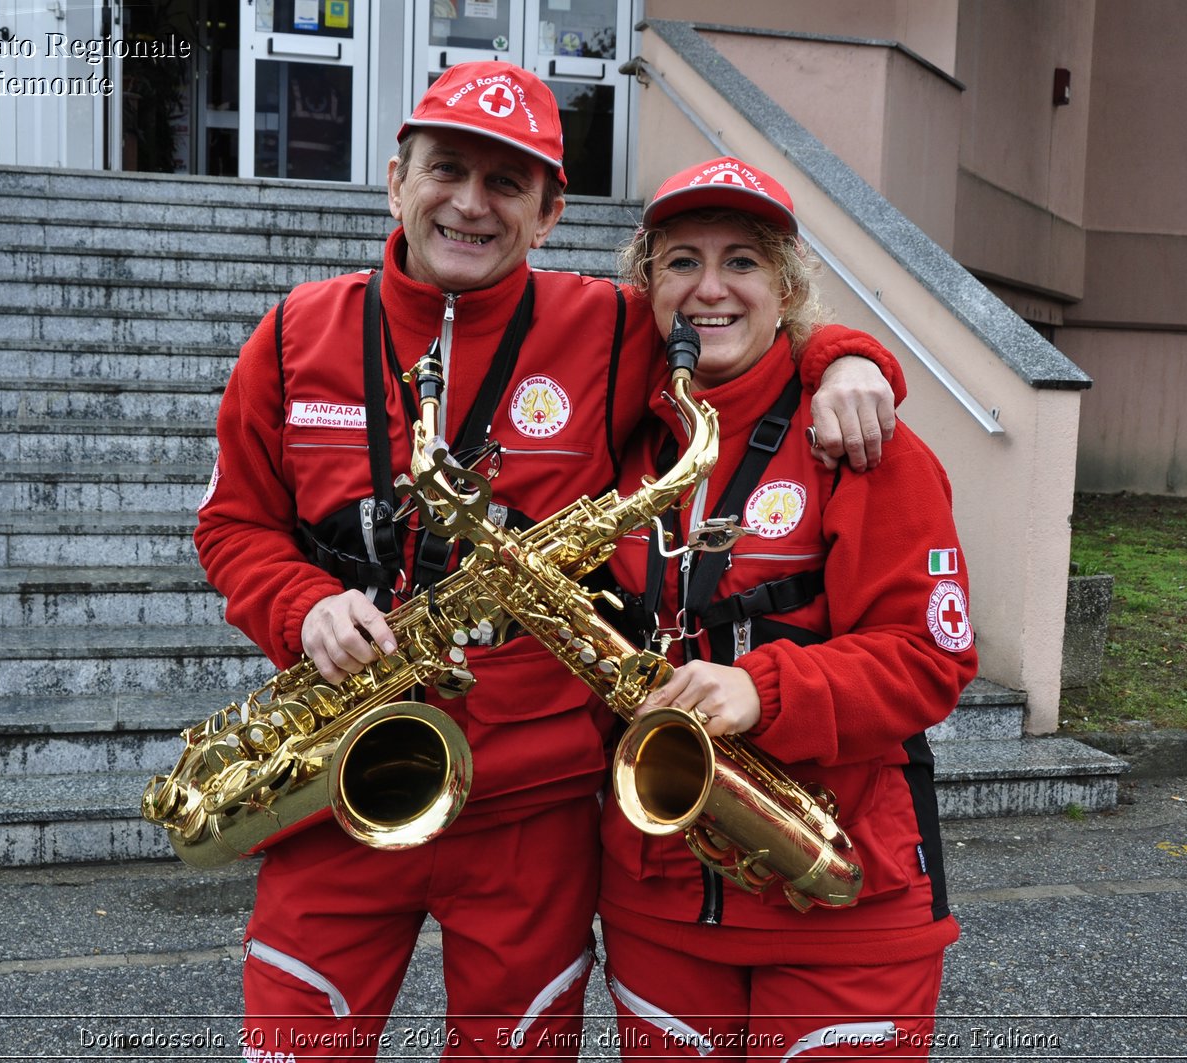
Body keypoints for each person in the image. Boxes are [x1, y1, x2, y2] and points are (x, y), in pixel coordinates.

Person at [194, 64, 903, 1060]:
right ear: (396, 181)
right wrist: (302, 605)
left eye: (507, 184)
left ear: (549, 213)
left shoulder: (611, 329)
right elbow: (232, 525)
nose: (470, 204)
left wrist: (850, 359)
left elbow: (738, 317)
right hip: (334, 777)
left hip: (533, 809)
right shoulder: (292, 332)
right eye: (446, 170)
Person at [594, 157, 977, 1060]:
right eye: (681, 261)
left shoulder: (861, 440)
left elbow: (932, 657)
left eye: (744, 262)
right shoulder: (622, 435)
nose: (709, 288)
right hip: (659, 903)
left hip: (843, 898)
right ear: (646, 283)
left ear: (790, 289)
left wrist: (763, 688)